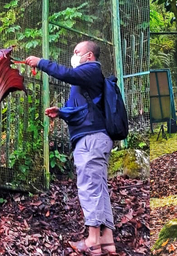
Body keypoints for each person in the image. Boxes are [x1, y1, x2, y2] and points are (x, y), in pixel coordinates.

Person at [25, 41, 116, 255]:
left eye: (77, 52)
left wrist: (41, 63)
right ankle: (107, 239)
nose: (73, 55)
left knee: (89, 187)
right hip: (95, 136)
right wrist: (62, 112)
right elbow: (83, 109)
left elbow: (66, 73)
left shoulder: (91, 70)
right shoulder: (88, 77)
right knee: (99, 187)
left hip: (91, 138)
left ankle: (93, 240)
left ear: (90, 56)